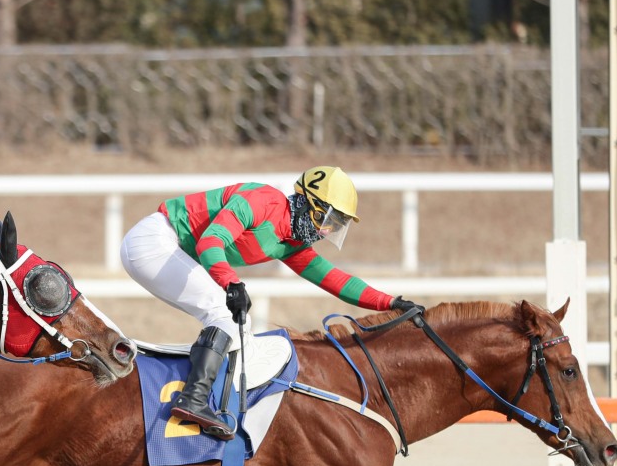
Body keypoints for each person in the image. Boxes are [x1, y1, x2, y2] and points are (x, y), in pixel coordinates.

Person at [119, 166, 420, 440]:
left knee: (233, 320)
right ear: (306, 202)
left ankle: (203, 397)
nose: (325, 231)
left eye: (335, 225)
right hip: (154, 241)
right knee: (226, 315)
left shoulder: (291, 245)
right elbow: (210, 241)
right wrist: (231, 282)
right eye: (325, 220)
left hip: (173, 251)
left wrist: (391, 302)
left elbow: (336, 280)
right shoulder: (263, 200)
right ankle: (193, 399)